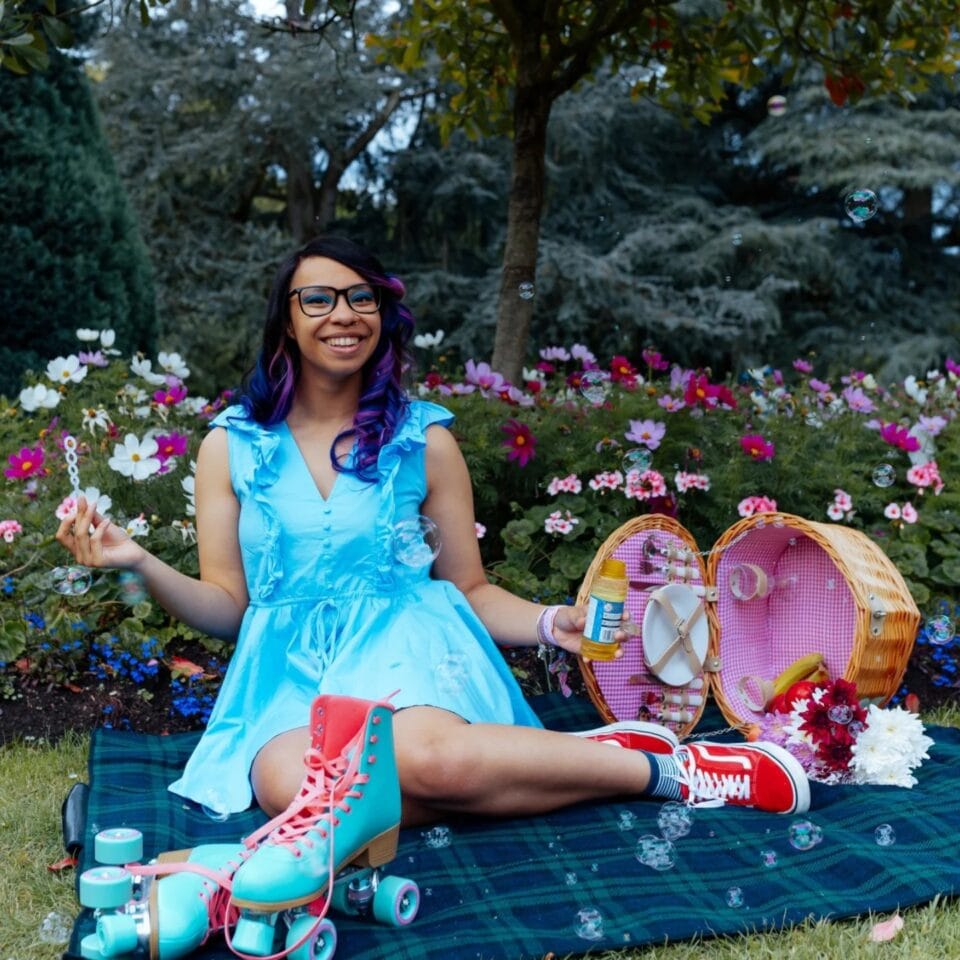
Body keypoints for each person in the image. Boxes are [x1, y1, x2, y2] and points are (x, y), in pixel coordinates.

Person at [57, 236, 810, 832]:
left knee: (429, 761)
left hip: (406, 649)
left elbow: (469, 588)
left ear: (382, 316)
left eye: (362, 298)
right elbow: (229, 606)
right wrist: (136, 560)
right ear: (285, 318)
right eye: (318, 298)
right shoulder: (231, 446)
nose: (343, 314)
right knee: (299, 793)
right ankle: (573, 761)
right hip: (286, 677)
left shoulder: (424, 441)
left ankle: (672, 772)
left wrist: (551, 622)